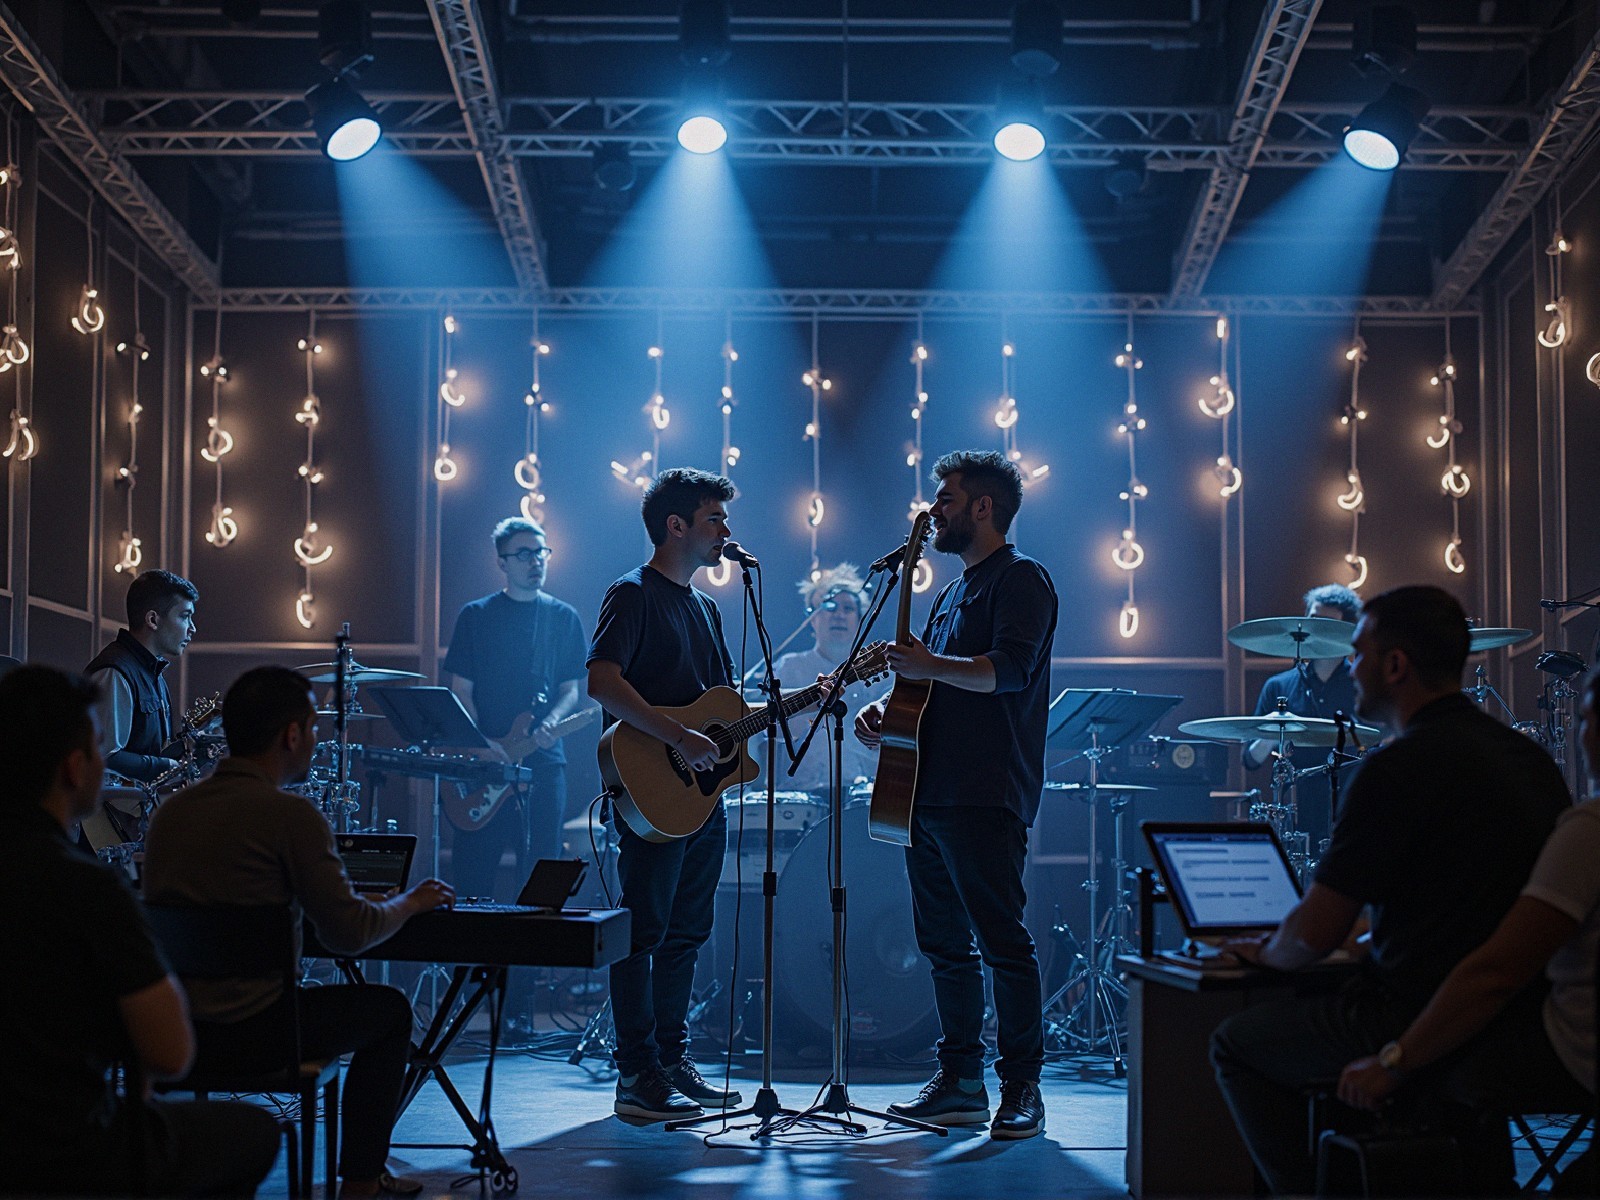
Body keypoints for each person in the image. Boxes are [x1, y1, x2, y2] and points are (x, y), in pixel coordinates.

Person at [1209, 585, 1572, 1196]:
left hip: (1413, 1015)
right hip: (1528, 1022)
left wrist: (1263, 950)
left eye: (1358, 653)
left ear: (1395, 664)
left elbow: (1316, 933)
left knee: (1236, 1045)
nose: (1350, 667)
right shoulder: (1529, 762)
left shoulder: (1394, 769)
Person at [142, 666, 455, 1198]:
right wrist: (409, 902)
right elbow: (349, 935)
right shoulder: (291, 816)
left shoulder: (170, 814)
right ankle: (360, 1182)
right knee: (390, 1011)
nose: (314, 740)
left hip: (183, 1033)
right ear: (292, 734)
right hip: (264, 1035)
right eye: (313, 729)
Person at [0, 665, 281, 1197]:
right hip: (62, 1151)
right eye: (101, 749)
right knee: (254, 1134)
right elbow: (171, 1053)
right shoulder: (88, 890)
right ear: (73, 769)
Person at [855, 450, 1059, 1140]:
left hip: (984, 791)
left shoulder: (1022, 579)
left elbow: (1008, 671)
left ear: (982, 507)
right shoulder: (947, 594)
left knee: (1002, 942)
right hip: (926, 791)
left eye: (945, 499)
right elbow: (932, 681)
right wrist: (890, 706)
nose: (933, 511)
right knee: (943, 944)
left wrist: (926, 665)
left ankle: (1023, 1087)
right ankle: (962, 1081)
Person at [1335, 665, 1600, 1190]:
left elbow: (1498, 970)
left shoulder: (1590, 832)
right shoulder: (1531, 766)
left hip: (1577, 1051)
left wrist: (1395, 1062)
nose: (1580, 731)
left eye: (1588, 715)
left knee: (1434, 1056)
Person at [587, 467, 744, 1122]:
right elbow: (601, 681)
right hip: (650, 792)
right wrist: (676, 735)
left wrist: (804, 703)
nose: (726, 534)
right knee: (644, 929)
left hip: (702, 800)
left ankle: (671, 1062)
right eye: (715, 520)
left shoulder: (706, 607)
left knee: (687, 931)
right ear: (676, 525)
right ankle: (634, 1073)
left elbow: (722, 710)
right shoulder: (632, 592)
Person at [443, 517, 588, 900]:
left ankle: (533, 957)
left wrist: (552, 723)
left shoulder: (562, 618)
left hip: (542, 763)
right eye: (524, 553)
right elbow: (460, 691)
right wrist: (480, 744)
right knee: (474, 875)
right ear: (502, 562)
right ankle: (473, 960)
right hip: (484, 763)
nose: (535, 560)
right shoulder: (476, 616)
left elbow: (571, 690)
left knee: (542, 874)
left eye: (541, 552)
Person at [1241, 583, 1362, 851]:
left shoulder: (1363, 686)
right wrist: (1272, 732)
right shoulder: (1278, 686)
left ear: (1347, 633)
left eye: (1326, 624)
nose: (1315, 630)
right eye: (1312, 621)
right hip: (1293, 814)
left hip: (1350, 814)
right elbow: (1250, 760)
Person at [764, 563, 878, 793]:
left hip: (864, 795)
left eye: (848, 608)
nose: (839, 614)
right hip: (801, 795)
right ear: (812, 619)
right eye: (830, 606)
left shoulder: (879, 673)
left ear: (859, 620)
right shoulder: (790, 666)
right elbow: (772, 730)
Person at [85, 569, 198, 784]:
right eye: (185, 616)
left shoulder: (153, 671)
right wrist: (168, 767)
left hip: (138, 811)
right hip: (111, 814)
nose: (192, 628)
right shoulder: (115, 671)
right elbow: (103, 757)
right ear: (153, 619)